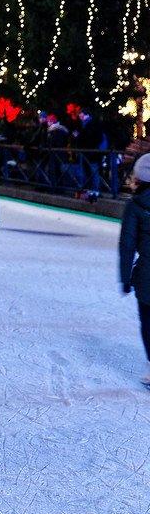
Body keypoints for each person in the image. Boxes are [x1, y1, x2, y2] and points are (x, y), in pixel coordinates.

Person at [119, 153, 150, 387]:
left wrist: (125, 277)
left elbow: (127, 244)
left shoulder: (135, 205)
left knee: (148, 322)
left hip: (146, 276)